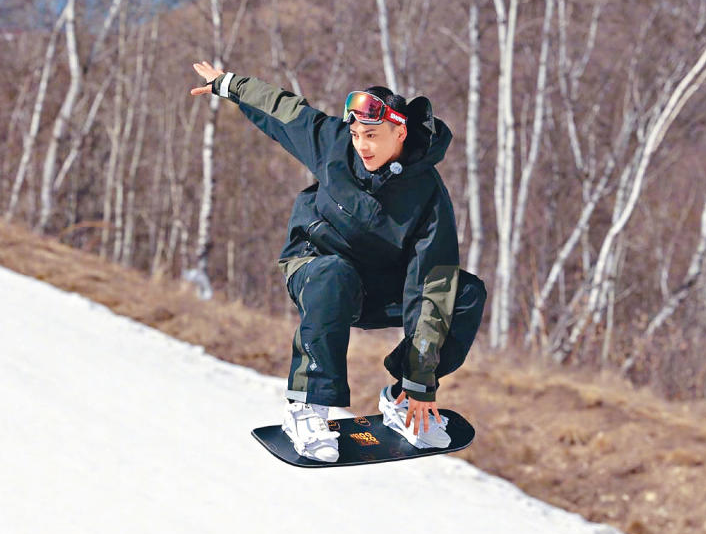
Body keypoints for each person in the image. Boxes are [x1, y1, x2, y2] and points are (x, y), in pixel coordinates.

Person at [190, 61, 486, 462]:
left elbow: (430, 288)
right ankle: (307, 407)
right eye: (357, 134)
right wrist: (227, 84)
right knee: (334, 272)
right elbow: (282, 109)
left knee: (464, 293)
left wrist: (419, 382)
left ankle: (401, 402)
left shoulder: (427, 195)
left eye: (372, 136)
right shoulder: (334, 146)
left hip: (374, 288)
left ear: (400, 131)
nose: (362, 146)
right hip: (315, 267)